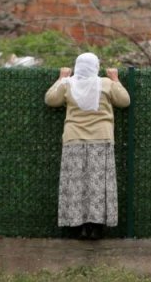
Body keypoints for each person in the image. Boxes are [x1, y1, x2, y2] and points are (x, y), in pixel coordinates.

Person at [44, 52, 130, 240]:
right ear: (96, 66)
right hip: (101, 139)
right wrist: (116, 79)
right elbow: (124, 101)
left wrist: (61, 78)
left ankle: (80, 227)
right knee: (99, 185)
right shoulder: (106, 84)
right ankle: (97, 228)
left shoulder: (68, 84)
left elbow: (50, 100)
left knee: (76, 183)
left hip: (73, 140)